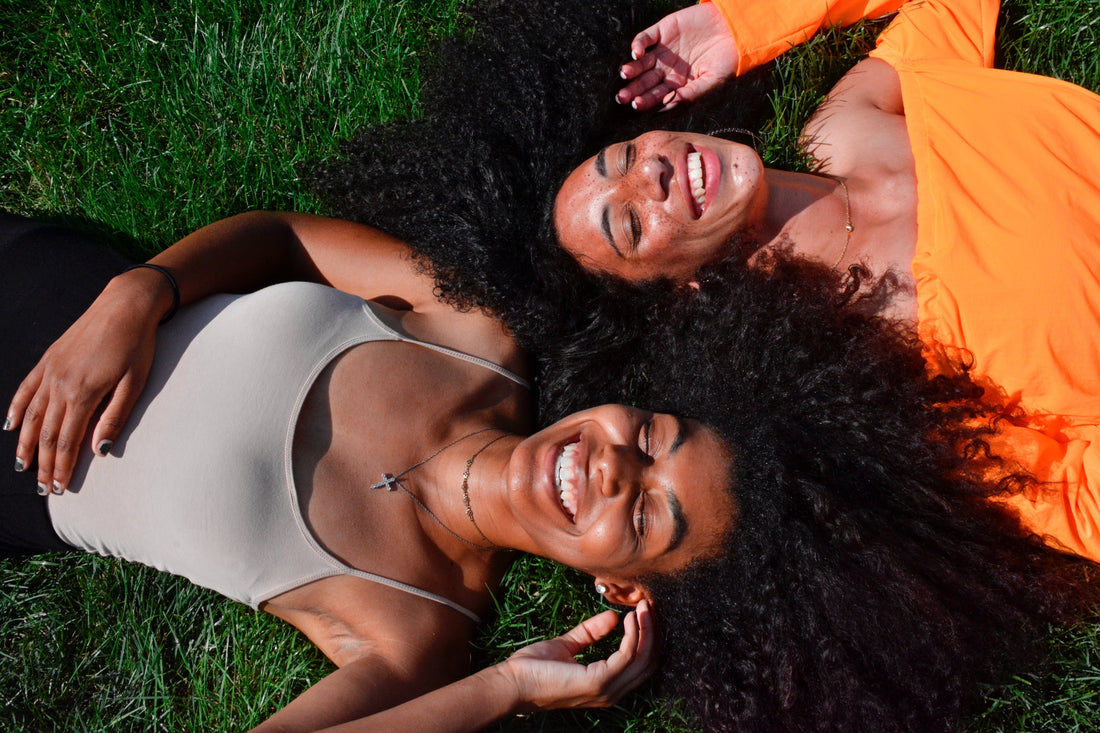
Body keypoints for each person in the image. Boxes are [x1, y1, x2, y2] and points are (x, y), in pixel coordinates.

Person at [4, 211, 1098, 733]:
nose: (612, 466)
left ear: (620, 587)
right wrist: (138, 294)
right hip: (44, 279)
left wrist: (504, 689)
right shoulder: (472, 330)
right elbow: (286, 238)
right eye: (652, 436)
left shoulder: (408, 626)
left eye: (649, 514)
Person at [550, 0, 1100, 564]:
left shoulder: (843, 126)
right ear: (677, 291)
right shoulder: (876, 369)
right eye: (632, 224)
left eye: (624, 156)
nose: (651, 173)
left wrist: (741, 25)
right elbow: (1076, 500)